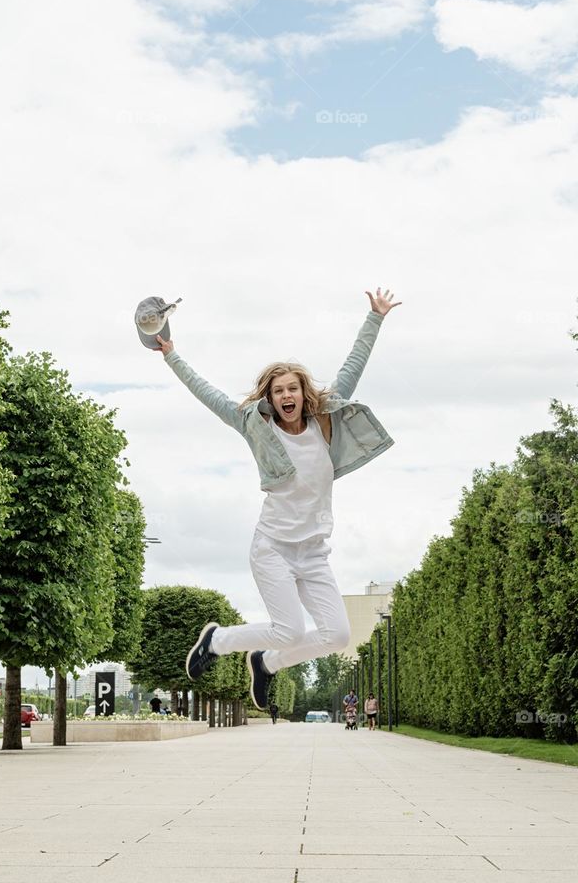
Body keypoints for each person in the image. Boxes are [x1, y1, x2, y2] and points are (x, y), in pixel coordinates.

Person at [154, 288, 402, 710]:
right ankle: (218, 641)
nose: (286, 396)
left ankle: (265, 664)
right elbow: (209, 394)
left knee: (337, 635)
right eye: (277, 391)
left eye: (292, 389)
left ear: (304, 393)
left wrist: (375, 317)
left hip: (315, 551)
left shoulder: (324, 420)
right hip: (273, 547)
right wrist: (172, 355)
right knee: (288, 629)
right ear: (269, 399)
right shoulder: (255, 427)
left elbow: (352, 365)